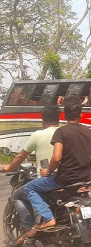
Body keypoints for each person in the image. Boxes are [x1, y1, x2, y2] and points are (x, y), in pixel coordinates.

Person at [24, 96, 91, 230]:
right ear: (81, 115)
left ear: (64, 115)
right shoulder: (90, 132)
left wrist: (48, 171)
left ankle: (48, 218)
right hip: (84, 179)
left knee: (29, 188)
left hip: (64, 179)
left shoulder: (61, 132)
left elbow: (56, 157)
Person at [2, 105, 60, 245]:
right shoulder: (64, 132)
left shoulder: (38, 135)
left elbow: (21, 156)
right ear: (59, 119)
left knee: (18, 195)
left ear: (43, 120)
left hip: (48, 178)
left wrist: (9, 167)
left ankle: (29, 230)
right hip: (66, 177)